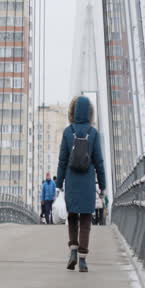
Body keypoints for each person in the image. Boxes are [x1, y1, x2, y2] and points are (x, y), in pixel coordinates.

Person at [55, 95, 106, 272]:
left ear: (73, 111)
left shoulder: (68, 132)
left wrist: (59, 184)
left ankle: (73, 251)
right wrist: (103, 186)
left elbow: (62, 161)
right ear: (90, 112)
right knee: (85, 220)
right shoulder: (93, 133)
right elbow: (98, 161)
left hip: (71, 181)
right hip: (87, 183)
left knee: (72, 217)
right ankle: (83, 259)